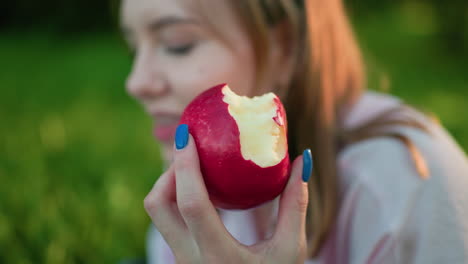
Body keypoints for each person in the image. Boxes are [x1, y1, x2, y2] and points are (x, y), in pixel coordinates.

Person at [120, 0, 468, 263]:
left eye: (177, 44)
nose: (135, 83)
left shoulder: (404, 184)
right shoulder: (187, 212)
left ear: (284, 48)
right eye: (134, 47)